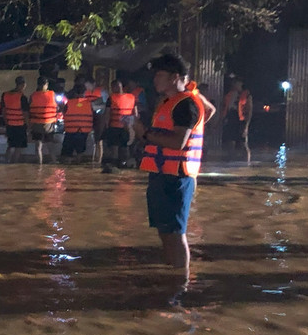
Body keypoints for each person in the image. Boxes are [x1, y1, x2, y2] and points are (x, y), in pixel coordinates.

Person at [133, 54, 216, 277]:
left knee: (176, 233)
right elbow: (209, 111)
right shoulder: (169, 102)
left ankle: (180, 282)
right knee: (165, 231)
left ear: (174, 77)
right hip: (161, 174)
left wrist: (145, 134)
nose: (155, 80)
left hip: (178, 177)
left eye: (160, 75)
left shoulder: (186, 104)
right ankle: (172, 276)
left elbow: (178, 143)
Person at [101, 78, 136, 173]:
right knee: (125, 147)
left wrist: (106, 126)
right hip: (127, 128)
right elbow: (135, 114)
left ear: (114, 87)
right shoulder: (131, 97)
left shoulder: (111, 98)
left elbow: (107, 114)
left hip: (115, 126)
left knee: (115, 148)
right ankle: (125, 165)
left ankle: (114, 165)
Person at [28, 76, 63, 164]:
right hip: (49, 124)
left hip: (37, 124)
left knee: (38, 146)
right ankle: (54, 161)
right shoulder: (52, 94)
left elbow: (29, 109)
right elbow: (59, 107)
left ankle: (39, 165)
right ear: (46, 84)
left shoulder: (33, 95)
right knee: (49, 144)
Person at [221, 77, 253, 163]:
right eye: (233, 83)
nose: (234, 85)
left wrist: (246, 126)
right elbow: (225, 109)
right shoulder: (229, 95)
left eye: (236, 83)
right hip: (231, 119)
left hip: (241, 120)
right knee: (230, 142)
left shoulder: (246, 95)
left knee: (243, 143)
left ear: (240, 84)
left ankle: (247, 163)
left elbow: (249, 111)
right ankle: (230, 161)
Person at [60, 84, 94, 163]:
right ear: (84, 92)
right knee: (80, 152)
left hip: (70, 130)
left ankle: (69, 170)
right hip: (83, 131)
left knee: (67, 154)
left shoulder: (69, 103)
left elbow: (64, 113)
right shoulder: (89, 103)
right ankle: (78, 167)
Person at [0, 76, 30, 163]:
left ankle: (6, 162)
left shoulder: (5, 95)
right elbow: (25, 114)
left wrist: (6, 122)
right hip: (20, 125)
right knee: (18, 147)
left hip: (9, 124)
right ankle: (14, 165)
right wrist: (28, 126)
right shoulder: (22, 97)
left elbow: (3, 111)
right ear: (23, 85)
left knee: (10, 145)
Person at [83, 79, 107, 163]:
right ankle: (93, 159)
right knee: (93, 140)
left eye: (88, 85)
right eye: (86, 86)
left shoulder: (102, 92)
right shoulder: (85, 93)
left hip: (100, 117)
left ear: (93, 84)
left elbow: (106, 104)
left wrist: (94, 105)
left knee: (99, 140)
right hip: (89, 117)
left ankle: (99, 160)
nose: (87, 87)